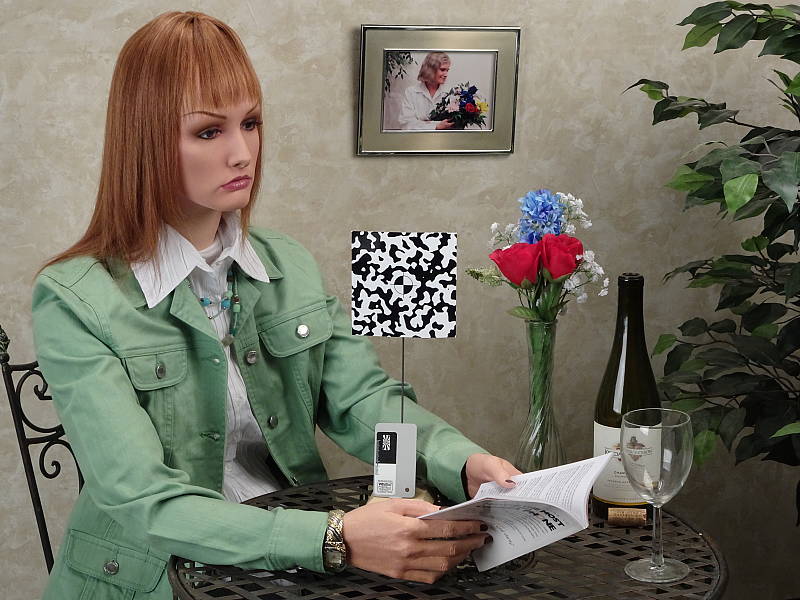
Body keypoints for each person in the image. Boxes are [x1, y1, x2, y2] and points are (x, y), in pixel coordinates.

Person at [30, 12, 520, 598]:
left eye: (251, 123)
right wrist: (334, 538)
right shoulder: (73, 297)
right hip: (158, 577)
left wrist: (460, 460)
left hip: (296, 564)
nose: (243, 153)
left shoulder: (288, 261)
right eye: (208, 132)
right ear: (145, 141)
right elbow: (143, 499)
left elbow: (362, 400)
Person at [397, 52, 456, 130]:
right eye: (442, 70)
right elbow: (406, 124)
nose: (446, 74)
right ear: (430, 70)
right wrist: (436, 126)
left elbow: (453, 123)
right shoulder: (411, 92)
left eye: (447, 70)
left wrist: (422, 123)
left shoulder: (450, 93)